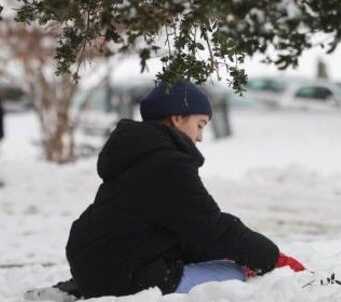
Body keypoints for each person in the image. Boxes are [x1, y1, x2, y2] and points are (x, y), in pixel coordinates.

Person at [63, 79, 306, 298]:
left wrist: (231, 251)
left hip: (101, 266)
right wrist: (271, 258)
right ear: (177, 118)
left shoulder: (141, 155)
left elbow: (182, 230)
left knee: (221, 257)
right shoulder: (167, 165)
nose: (200, 137)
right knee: (241, 278)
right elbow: (211, 226)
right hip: (126, 278)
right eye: (200, 125)